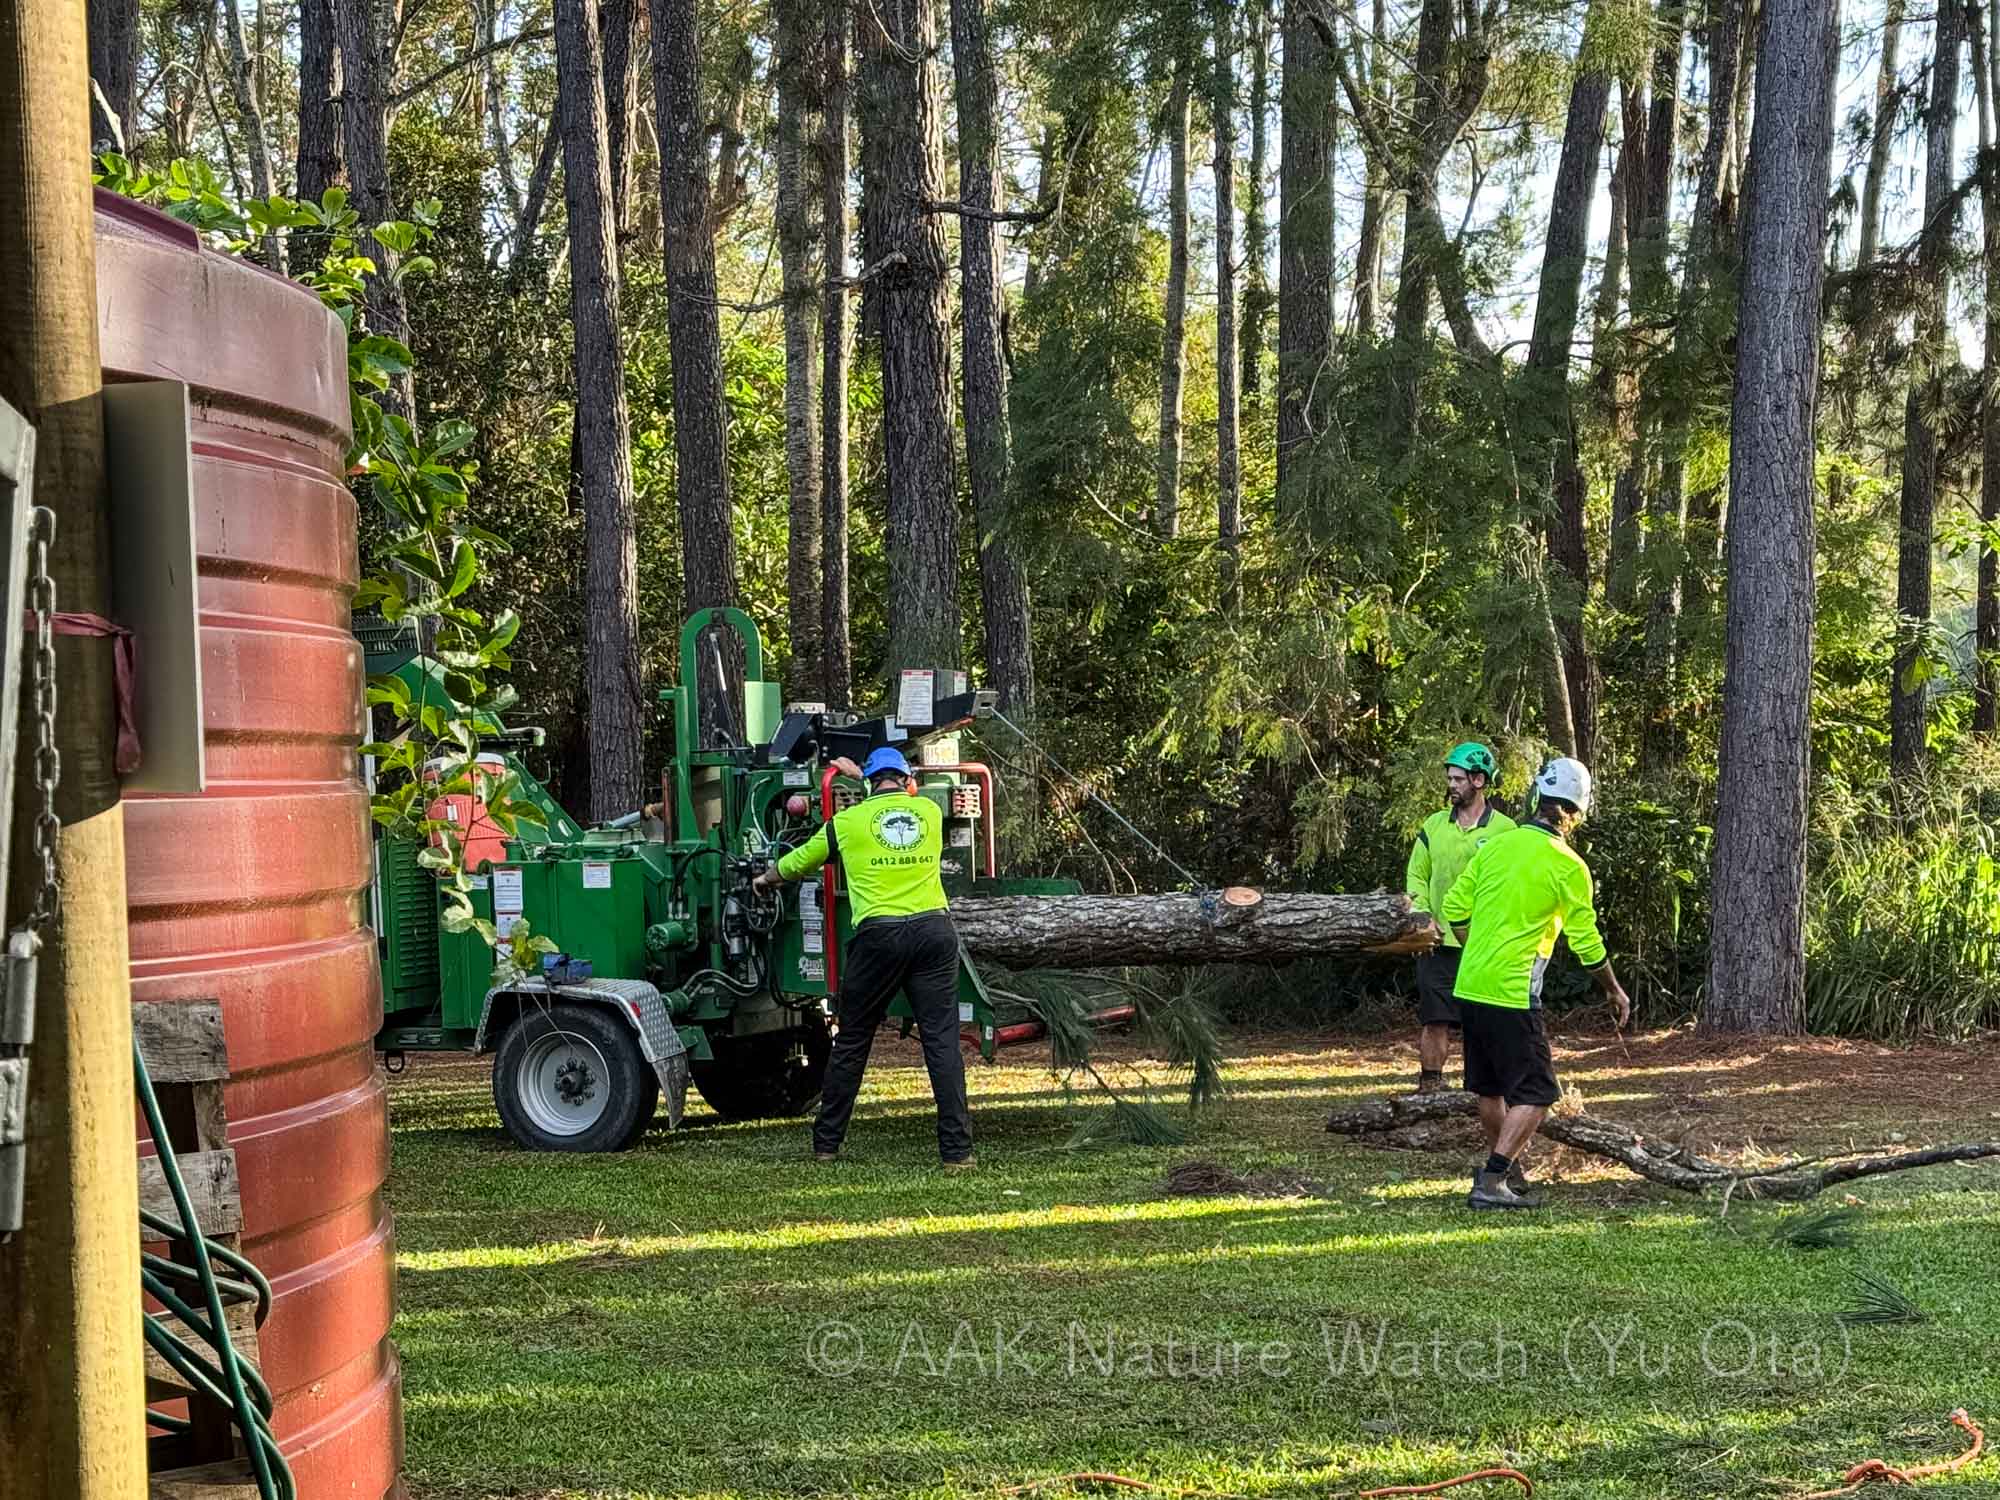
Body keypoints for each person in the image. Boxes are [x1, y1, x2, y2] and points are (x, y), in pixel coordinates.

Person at [752, 746, 975, 1169]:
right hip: (934, 932)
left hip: (880, 937)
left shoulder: (845, 824)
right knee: (942, 1043)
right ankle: (958, 1153)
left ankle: (826, 1145)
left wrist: (766, 879)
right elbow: (909, 795)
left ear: (869, 782)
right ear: (906, 780)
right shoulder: (928, 813)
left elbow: (799, 861)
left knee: (853, 1040)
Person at [1441, 757, 1631, 1211]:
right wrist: (1612, 988)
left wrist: (1476, 950)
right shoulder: (1568, 865)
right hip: (1512, 992)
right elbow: (1585, 941)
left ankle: (1508, 1170)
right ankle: (1493, 1180)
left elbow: (1453, 907)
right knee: (1539, 1091)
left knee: (1491, 1088)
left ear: (1536, 800)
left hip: (1470, 983)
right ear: (1576, 814)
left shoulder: (1496, 847)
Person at [1404, 743, 1515, 1094]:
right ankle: (1430, 1086)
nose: (1451, 784)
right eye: (1449, 778)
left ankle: (1482, 1090)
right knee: (1435, 1019)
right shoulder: (1433, 825)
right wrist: (1423, 917)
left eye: (1458, 778)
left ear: (1479, 780)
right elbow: (1416, 876)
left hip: (1484, 946)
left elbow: (1512, 885)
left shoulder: (1506, 831)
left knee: (1483, 1022)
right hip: (1438, 944)